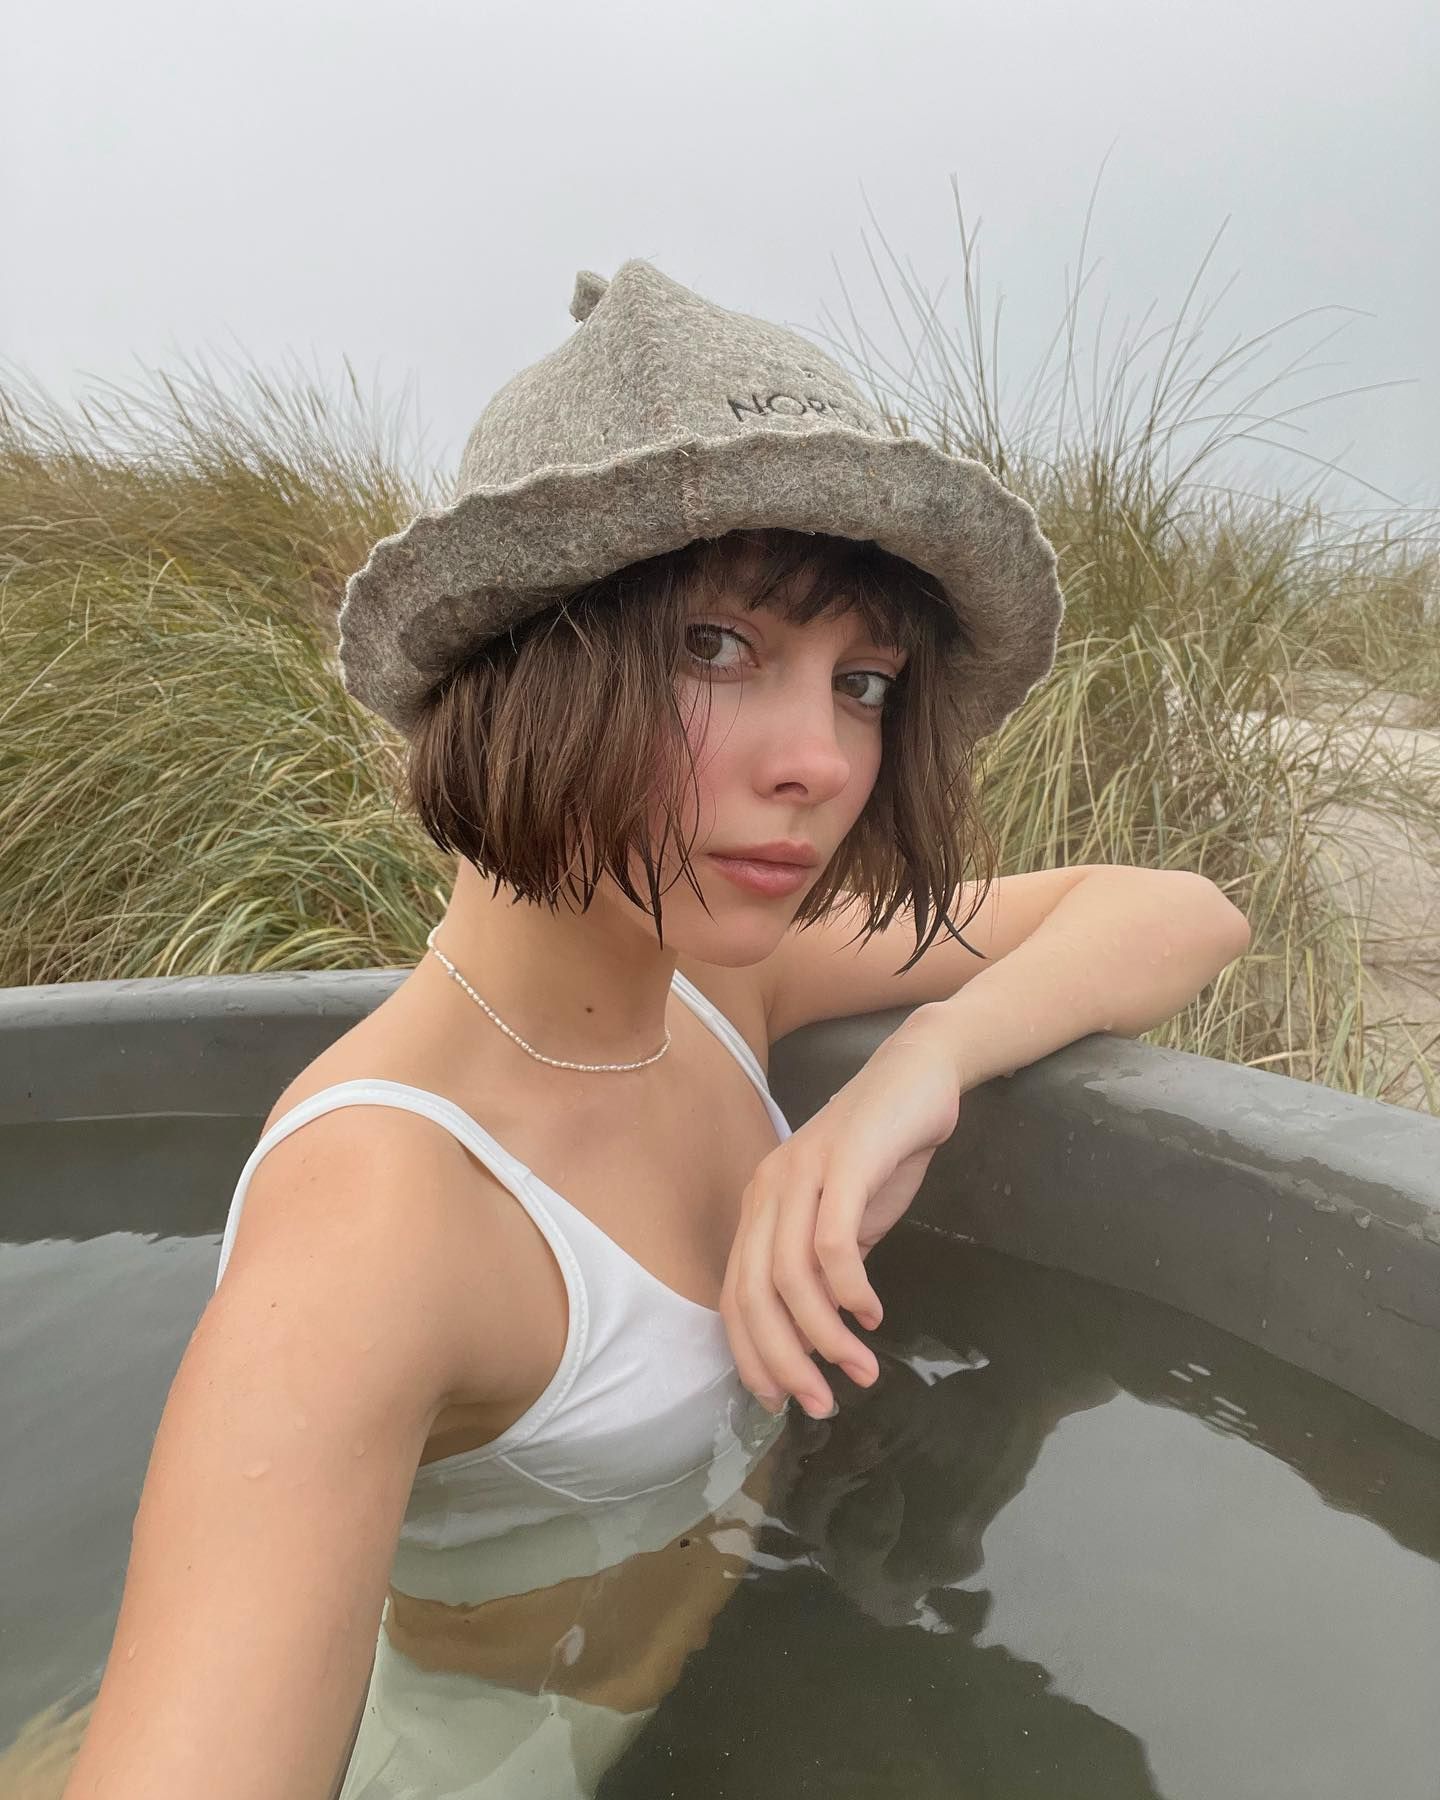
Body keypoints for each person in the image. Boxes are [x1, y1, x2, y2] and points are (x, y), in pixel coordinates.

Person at [60, 258, 1070, 1798]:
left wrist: (916, 1074)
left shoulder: (716, 988)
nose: (820, 758)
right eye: (716, 647)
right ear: (524, 668)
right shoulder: (385, 1218)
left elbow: (1170, 912)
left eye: (863, 680)